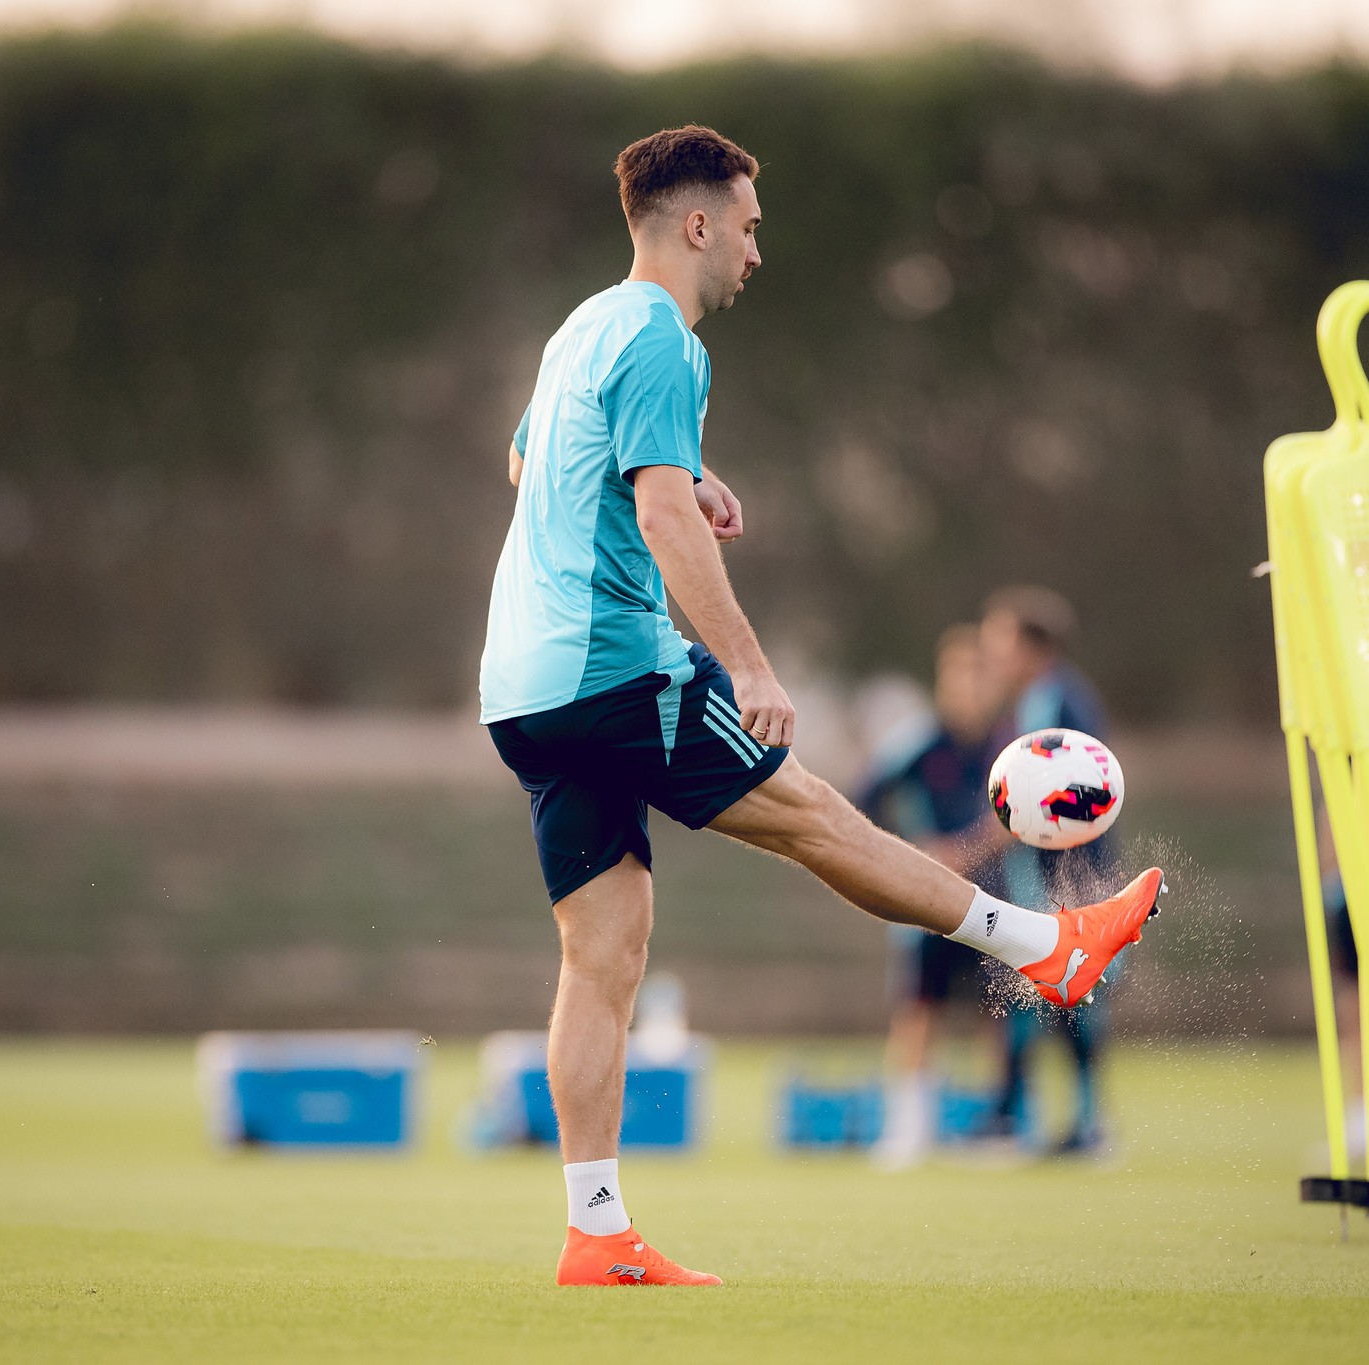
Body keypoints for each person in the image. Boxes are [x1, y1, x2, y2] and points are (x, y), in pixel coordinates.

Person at [478, 126, 1165, 1288]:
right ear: (697, 224)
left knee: (602, 955)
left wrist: (683, 469)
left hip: (521, 690)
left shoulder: (581, 327)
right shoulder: (662, 339)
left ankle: (594, 1230)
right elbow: (657, 517)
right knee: (814, 819)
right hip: (612, 668)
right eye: (748, 228)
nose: (756, 250)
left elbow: (527, 463)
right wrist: (746, 663)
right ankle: (1045, 948)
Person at [855, 625, 1013, 1170]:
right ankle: (907, 1128)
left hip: (998, 901)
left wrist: (978, 848)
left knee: (998, 1011)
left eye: (982, 678)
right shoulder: (916, 743)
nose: (972, 689)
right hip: (927, 905)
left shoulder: (1012, 747)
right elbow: (860, 801)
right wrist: (909, 852)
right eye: (962, 677)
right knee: (919, 1008)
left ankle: (1003, 1123)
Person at [975, 586, 1122, 1156]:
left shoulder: (1056, 705)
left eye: (999, 640)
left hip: (1066, 884)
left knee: (1069, 996)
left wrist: (963, 851)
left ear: (1030, 646)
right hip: (1038, 882)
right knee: (1032, 994)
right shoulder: (1039, 702)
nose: (992, 653)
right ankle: (1023, 1119)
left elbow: (1041, 802)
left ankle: (1081, 1125)